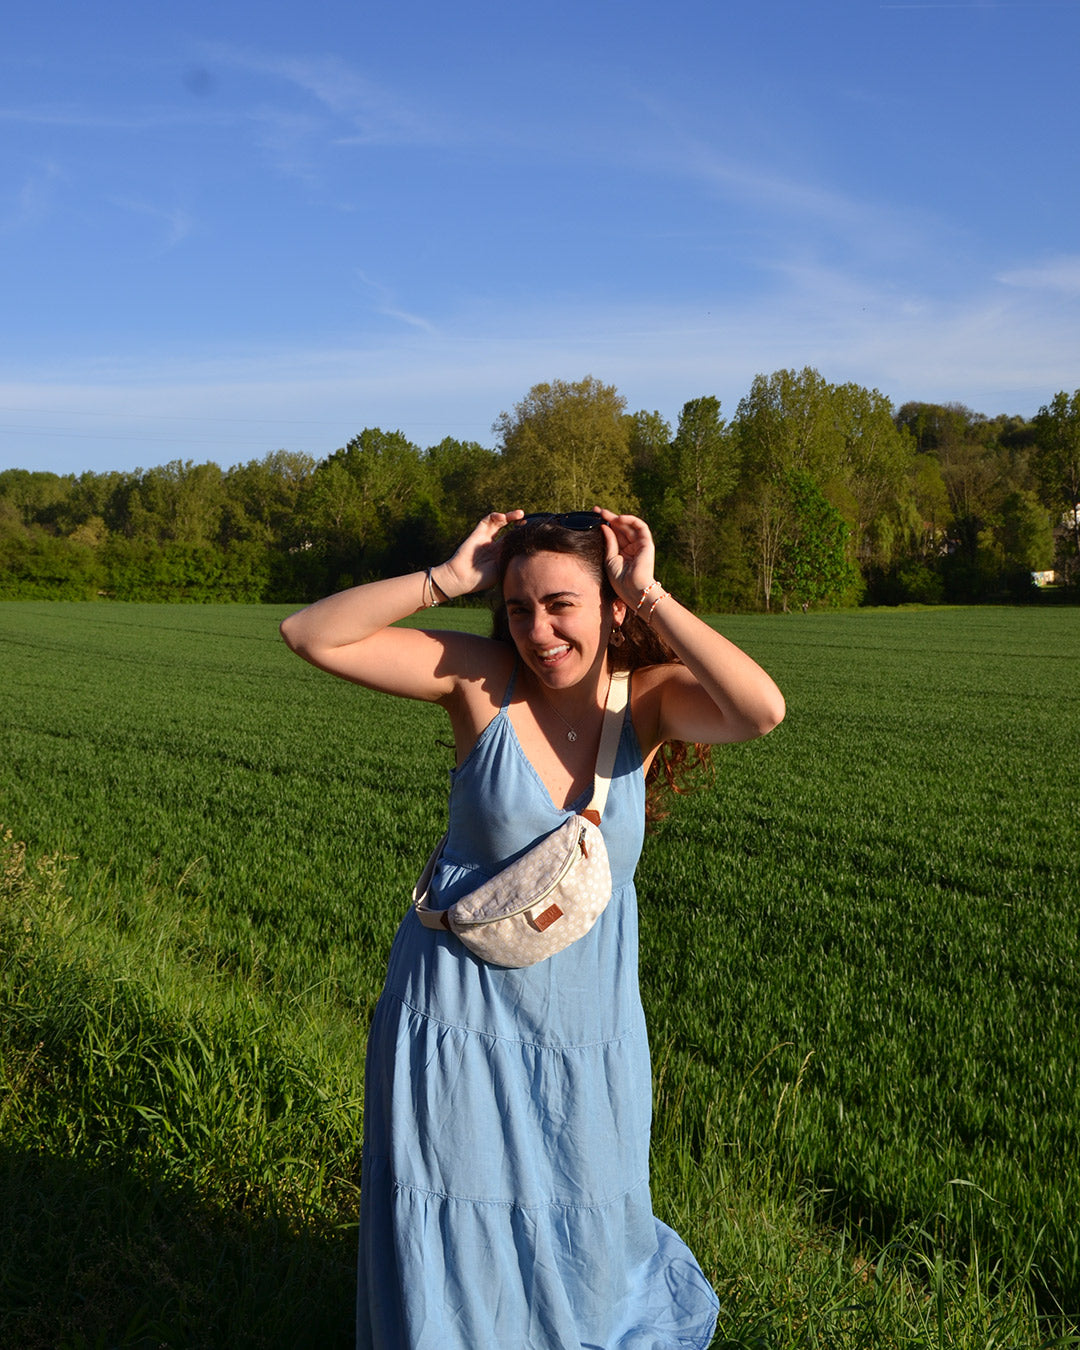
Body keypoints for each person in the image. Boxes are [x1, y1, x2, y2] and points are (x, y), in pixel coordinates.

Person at [280, 508, 785, 1350]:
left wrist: (650, 591)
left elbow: (760, 709)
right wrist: (448, 576)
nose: (539, 631)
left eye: (561, 605)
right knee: (452, 1203)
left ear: (611, 607)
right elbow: (311, 635)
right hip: (456, 1011)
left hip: (586, 1023)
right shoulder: (480, 679)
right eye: (519, 608)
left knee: (587, 1211)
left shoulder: (649, 704)